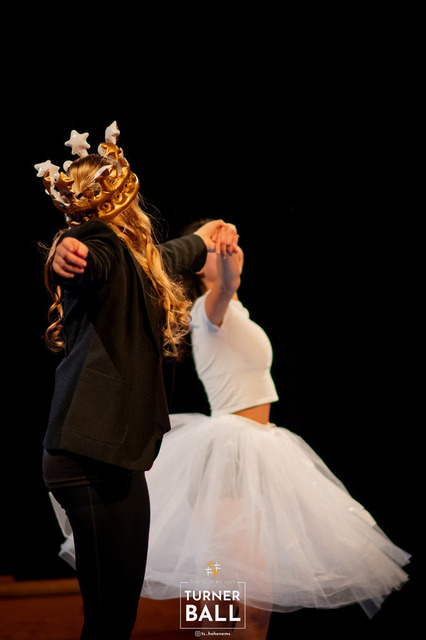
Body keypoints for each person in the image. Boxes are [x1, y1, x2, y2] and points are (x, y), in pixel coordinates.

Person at [35, 125, 239, 640]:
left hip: (113, 457)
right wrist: (64, 251)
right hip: (87, 457)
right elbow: (89, 254)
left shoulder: (138, 266)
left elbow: (176, 254)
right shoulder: (99, 243)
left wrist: (211, 236)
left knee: (116, 618)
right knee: (109, 621)